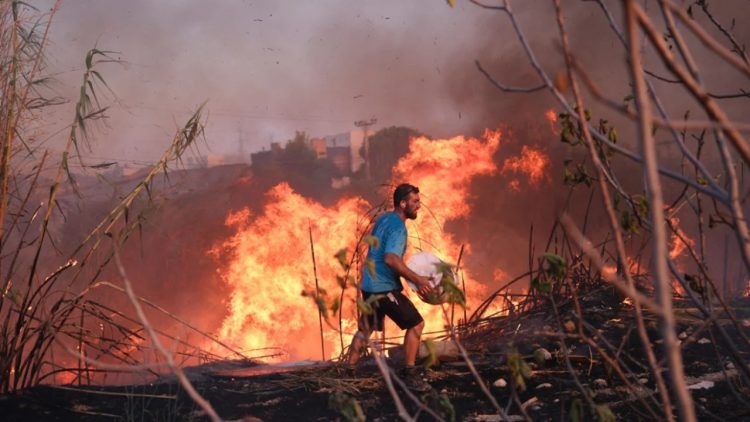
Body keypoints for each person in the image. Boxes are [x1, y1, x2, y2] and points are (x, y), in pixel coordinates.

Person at [347, 183, 434, 392]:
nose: (418, 206)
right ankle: (409, 373)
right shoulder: (398, 227)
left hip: (368, 283)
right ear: (402, 203)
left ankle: (347, 370)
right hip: (383, 288)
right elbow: (391, 259)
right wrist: (418, 279)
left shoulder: (384, 218)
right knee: (417, 325)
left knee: (365, 329)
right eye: (415, 202)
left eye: (418, 201)